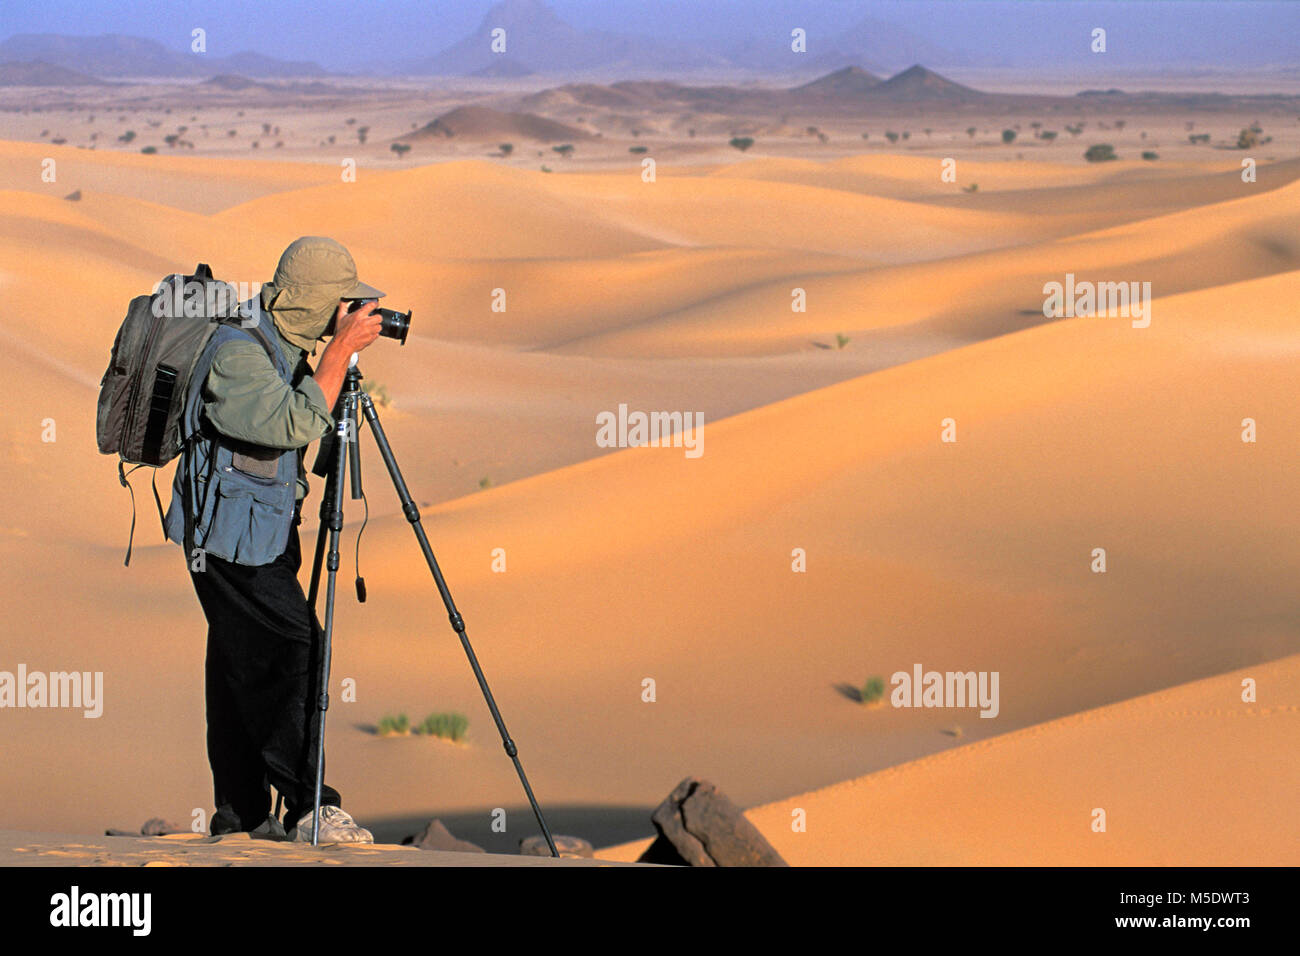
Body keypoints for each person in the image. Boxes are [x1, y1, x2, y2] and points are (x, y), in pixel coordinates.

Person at [163, 236, 385, 843]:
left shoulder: (281, 345)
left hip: (258, 531)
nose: (352, 313)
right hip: (227, 540)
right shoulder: (238, 353)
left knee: (239, 660)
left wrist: (333, 361)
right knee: (296, 647)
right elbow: (292, 422)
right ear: (315, 304)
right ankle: (311, 803)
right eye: (341, 303)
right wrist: (338, 353)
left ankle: (243, 814)